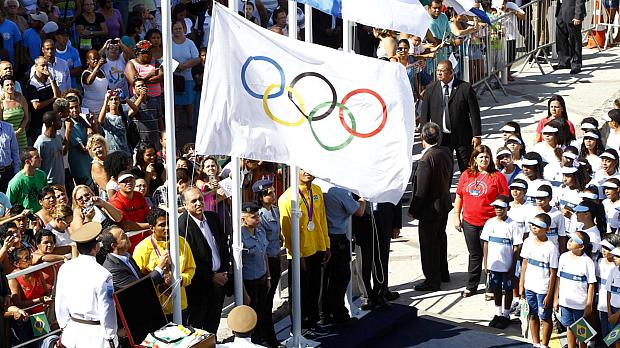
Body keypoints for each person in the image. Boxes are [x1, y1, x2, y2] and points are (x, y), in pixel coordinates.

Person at [454, 145, 509, 298]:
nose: (484, 159)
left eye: (486, 157)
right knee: (474, 254)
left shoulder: (497, 176)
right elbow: (459, 195)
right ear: (475, 159)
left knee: (491, 255)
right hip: (470, 221)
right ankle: (472, 285)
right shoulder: (467, 175)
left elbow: (504, 199)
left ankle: (491, 287)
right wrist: (456, 215)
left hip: (490, 223)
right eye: (481, 157)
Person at [279, 167, 330, 330]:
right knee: (299, 293)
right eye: (302, 169)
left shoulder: (317, 190)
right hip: (300, 254)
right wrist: (297, 255)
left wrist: (326, 245)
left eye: (309, 167)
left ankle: (314, 322)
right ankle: (299, 327)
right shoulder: (287, 198)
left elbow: (322, 219)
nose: (307, 171)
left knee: (315, 289)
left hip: (317, 248)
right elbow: (286, 231)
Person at [54, 222, 118, 348]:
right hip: (96, 338)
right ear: (96, 247)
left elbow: (60, 301)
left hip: (72, 332)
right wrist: (110, 336)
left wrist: (64, 326)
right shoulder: (103, 275)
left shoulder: (65, 268)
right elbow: (107, 308)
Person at [408, 122, 453, 291]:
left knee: (429, 245)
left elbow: (421, 190)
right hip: (443, 204)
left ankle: (432, 280)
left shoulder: (426, 160)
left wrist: (413, 209)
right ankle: (443, 272)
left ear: (423, 137)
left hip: (430, 209)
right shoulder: (446, 152)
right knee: (440, 239)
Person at [179, 186, 229, 333]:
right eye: (193, 201)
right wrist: (211, 276)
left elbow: (223, 246)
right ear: (185, 205)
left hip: (219, 283)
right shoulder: (182, 226)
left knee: (213, 326)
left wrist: (223, 272)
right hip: (198, 288)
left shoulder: (212, 218)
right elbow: (190, 259)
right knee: (197, 329)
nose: (198, 203)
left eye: (200, 199)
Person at [133, 208, 196, 321]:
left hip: (180, 304)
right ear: (152, 228)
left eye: (169, 223)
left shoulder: (181, 242)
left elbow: (190, 269)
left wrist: (180, 280)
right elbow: (138, 281)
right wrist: (160, 282)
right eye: (162, 225)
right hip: (157, 308)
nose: (167, 228)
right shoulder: (141, 249)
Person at [420, 60, 481, 172]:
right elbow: (425, 114)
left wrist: (477, 135)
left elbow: (474, 113)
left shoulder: (465, 88)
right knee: (443, 169)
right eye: (437, 70)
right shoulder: (431, 89)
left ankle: (465, 189)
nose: (439, 73)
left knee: (466, 168)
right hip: (441, 137)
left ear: (451, 72)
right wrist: (424, 136)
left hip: (462, 136)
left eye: (442, 71)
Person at [319, 184, 364, 324]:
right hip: (336, 238)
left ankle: (324, 313)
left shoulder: (318, 189)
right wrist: (363, 199)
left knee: (325, 279)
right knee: (340, 276)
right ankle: (338, 313)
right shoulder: (339, 191)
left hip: (323, 238)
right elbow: (359, 212)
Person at [481, 195, 522, 329]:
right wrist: (486, 262)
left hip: (507, 264)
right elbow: (486, 243)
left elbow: (516, 247)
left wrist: (513, 265)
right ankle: (498, 313)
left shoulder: (513, 224)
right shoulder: (490, 223)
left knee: (508, 289)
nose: (498, 209)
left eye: (501, 207)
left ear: (507, 208)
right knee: (496, 288)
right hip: (494, 264)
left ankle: (506, 314)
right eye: (496, 207)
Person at [519, 213, 559, 348]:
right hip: (529, 286)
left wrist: (549, 294)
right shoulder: (528, 242)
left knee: (545, 317)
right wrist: (521, 285)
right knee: (532, 315)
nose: (534, 228)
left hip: (543, 288)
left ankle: (544, 344)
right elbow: (524, 264)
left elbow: (553, 273)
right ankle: (535, 343)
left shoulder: (551, 248)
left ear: (547, 229)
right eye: (533, 225)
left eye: (538, 226)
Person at [553, 231, 596, 348]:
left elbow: (591, 284)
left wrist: (589, 304)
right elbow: (559, 279)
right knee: (570, 328)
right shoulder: (563, 257)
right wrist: (556, 298)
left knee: (581, 331)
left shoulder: (587, 262)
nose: (569, 241)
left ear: (581, 246)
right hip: (565, 302)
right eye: (570, 239)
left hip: (580, 304)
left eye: (573, 240)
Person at [239, 202, 271, 345]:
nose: (257, 219)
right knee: (251, 317)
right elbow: (237, 267)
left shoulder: (260, 231)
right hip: (249, 282)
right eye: (253, 217)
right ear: (244, 219)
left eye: (258, 216)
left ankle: (262, 340)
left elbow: (264, 255)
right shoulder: (239, 237)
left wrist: (268, 277)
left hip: (262, 278)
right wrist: (243, 292)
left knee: (262, 313)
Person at [100, 225, 168, 290]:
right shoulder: (112, 269)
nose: (127, 237)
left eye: (125, 234)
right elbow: (139, 286)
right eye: (123, 237)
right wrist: (160, 267)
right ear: (114, 245)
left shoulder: (126, 256)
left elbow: (140, 277)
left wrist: (162, 283)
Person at [25, 56, 61, 143]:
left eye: (47, 65)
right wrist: (52, 99)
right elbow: (36, 106)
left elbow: (58, 95)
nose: (45, 68)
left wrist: (51, 79)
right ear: (36, 67)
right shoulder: (32, 84)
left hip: (51, 122)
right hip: (38, 123)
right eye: (42, 66)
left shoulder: (49, 79)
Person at [172, 20, 199, 129]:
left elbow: (197, 58)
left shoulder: (190, 43)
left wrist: (186, 65)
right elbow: (164, 58)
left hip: (188, 77)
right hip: (175, 77)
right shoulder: (168, 42)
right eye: (175, 29)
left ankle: (191, 124)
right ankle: (176, 126)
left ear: (184, 29)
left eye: (180, 28)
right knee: (176, 105)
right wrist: (178, 66)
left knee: (189, 104)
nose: (178, 30)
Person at [6, 147, 47, 212]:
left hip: (42, 215)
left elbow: (46, 195)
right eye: (37, 157)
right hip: (26, 218)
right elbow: (9, 205)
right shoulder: (16, 181)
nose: (41, 159)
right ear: (27, 161)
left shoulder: (42, 175)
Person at [596, 235, 620, 341]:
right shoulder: (600, 262)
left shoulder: (616, 267)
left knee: (615, 337)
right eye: (603, 247)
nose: (603, 250)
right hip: (602, 306)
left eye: (607, 248)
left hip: (615, 308)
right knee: (606, 335)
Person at [130, 77, 162, 150]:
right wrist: (141, 97)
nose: (141, 87)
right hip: (139, 139)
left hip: (155, 138)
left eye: (143, 85)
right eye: (138, 86)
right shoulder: (131, 101)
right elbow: (130, 114)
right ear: (134, 89)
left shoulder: (154, 100)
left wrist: (162, 133)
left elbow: (159, 118)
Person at [34, 111, 65, 185]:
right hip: (48, 184)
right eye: (58, 120)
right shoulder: (41, 143)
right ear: (52, 123)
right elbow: (37, 167)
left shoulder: (58, 136)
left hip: (61, 182)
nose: (61, 122)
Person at [554, 0, 585, 74]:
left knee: (574, 38)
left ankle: (576, 63)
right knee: (560, 36)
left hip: (572, 10)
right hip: (561, 8)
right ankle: (564, 61)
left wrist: (578, 15)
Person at [0, 75, 29, 151]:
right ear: (2, 87)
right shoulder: (1, 103)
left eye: (12, 84)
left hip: (21, 137)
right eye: (7, 85)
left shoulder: (21, 98)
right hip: (7, 138)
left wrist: (18, 132)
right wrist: (11, 135)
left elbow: (26, 117)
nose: (10, 86)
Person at [82, 49, 109, 115]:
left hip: (102, 108)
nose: (96, 60)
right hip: (90, 109)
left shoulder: (101, 71)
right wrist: (98, 66)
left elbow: (104, 87)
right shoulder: (85, 73)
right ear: (87, 61)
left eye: (98, 59)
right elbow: (89, 81)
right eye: (94, 59)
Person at [0, 119, 20, 192]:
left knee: (8, 200)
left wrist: (17, 171)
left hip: (7, 172)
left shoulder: (8, 127)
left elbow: (15, 151)